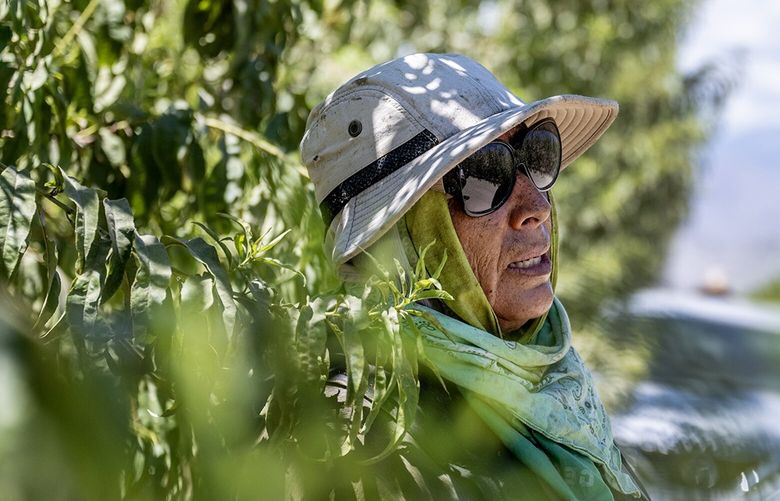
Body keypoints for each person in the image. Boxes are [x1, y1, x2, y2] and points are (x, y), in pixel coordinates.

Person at [299, 53, 649, 500]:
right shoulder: (363, 433)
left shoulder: (557, 383)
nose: (538, 208)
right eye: (487, 175)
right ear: (405, 239)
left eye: (537, 157)